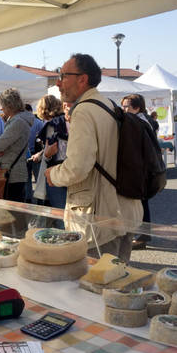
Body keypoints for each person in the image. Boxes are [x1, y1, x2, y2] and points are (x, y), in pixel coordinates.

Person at [45, 53, 142, 262]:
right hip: (124, 211)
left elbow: (77, 168)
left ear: (83, 79)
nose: (58, 83)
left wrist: (53, 174)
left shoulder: (84, 110)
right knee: (116, 282)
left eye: (63, 76)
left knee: (95, 288)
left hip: (99, 219)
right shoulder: (108, 105)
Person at [121, 94, 154, 250]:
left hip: (141, 169)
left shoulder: (137, 122)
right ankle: (142, 234)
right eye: (123, 106)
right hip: (145, 168)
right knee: (142, 202)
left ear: (137, 107)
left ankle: (142, 235)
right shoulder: (145, 120)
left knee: (139, 203)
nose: (124, 109)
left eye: (127, 106)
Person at [0, 88, 33, 202]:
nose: (0, 108)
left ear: (10, 105)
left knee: (12, 212)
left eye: (2, 105)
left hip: (13, 174)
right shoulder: (17, 119)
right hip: (13, 172)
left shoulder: (18, 121)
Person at [31, 94, 68, 211]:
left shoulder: (52, 125)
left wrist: (45, 155)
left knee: (59, 214)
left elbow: (53, 149)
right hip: (70, 170)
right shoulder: (66, 120)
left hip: (56, 173)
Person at [24, 103, 44, 203]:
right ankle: (29, 199)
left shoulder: (38, 123)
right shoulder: (23, 123)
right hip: (26, 155)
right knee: (28, 178)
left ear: (31, 112)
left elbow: (44, 139)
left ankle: (39, 200)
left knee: (37, 178)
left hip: (36, 154)